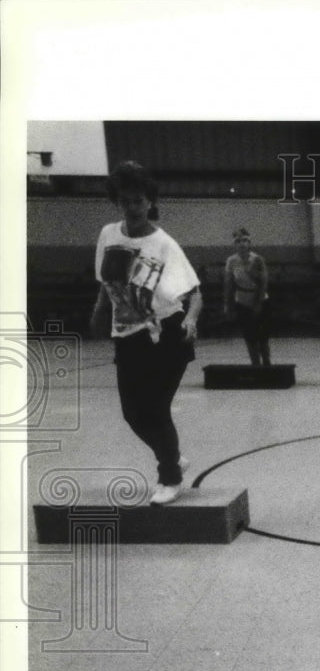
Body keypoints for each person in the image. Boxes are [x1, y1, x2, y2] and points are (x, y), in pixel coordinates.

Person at [90, 160, 202, 505]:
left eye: (138, 200)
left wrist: (191, 320)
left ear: (150, 202)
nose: (132, 207)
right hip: (127, 336)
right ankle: (173, 456)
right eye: (125, 201)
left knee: (154, 408)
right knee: (132, 413)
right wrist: (98, 314)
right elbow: (106, 284)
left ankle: (169, 476)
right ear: (116, 203)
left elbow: (195, 292)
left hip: (167, 334)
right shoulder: (109, 235)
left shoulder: (164, 244)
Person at [223, 228, 271, 367]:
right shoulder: (231, 261)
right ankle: (255, 365)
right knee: (249, 337)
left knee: (263, 337)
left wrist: (258, 304)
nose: (242, 244)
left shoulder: (258, 260)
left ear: (249, 243)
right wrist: (227, 304)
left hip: (260, 299)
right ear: (235, 244)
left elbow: (263, 284)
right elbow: (228, 284)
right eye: (238, 241)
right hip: (242, 301)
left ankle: (267, 364)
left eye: (245, 241)